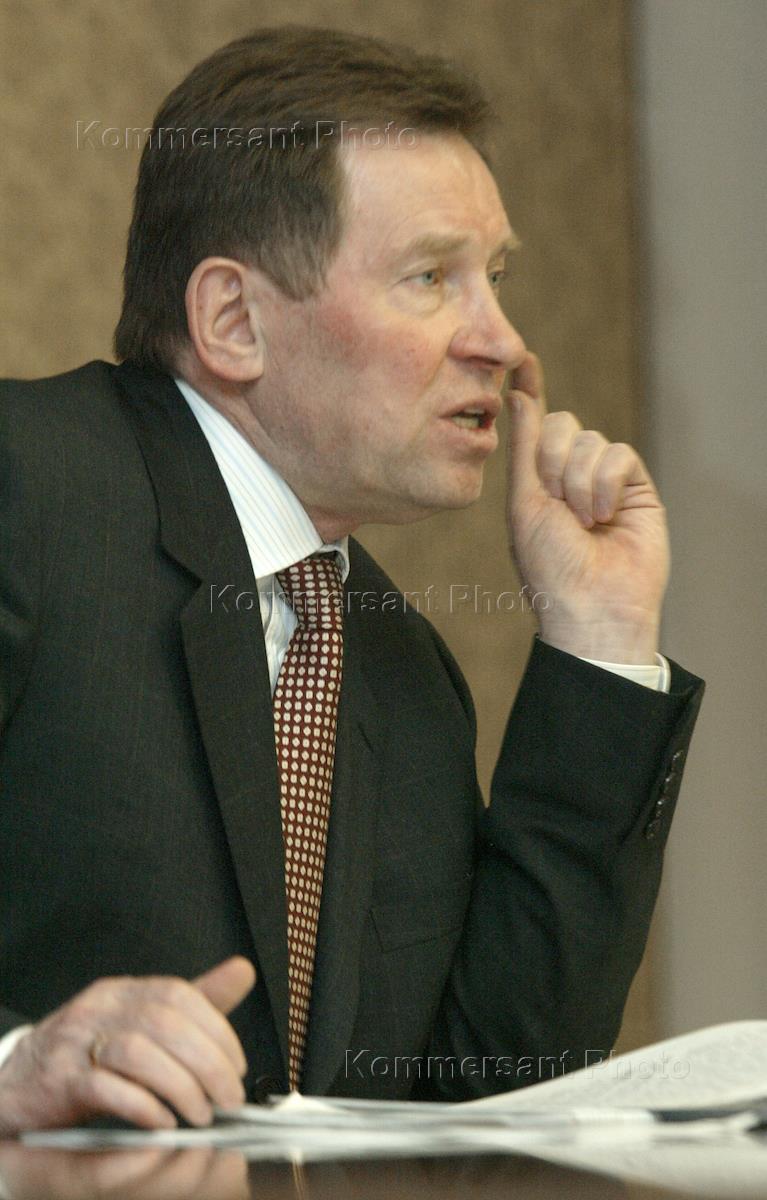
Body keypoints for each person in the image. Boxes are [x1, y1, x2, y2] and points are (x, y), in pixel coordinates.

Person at [0, 26, 703, 1132]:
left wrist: (598, 638)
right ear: (233, 321)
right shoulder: (24, 489)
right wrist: (16, 1067)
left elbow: (486, 1104)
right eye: (430, 278)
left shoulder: (400, 668)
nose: (502, 341)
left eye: (495, 279)